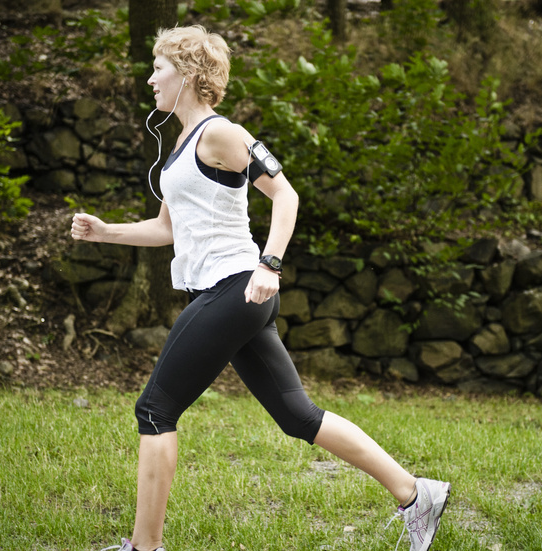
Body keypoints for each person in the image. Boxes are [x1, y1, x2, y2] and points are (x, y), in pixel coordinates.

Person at [71, 25, 450, 551]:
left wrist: (269, 265)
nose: (151, 78)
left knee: (154, 410)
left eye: (160, 68)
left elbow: (286, 196)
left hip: (237, 287)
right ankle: (417, 494)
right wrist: (106, 232)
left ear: (189, 75)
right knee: (299, 417)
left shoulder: (222, 133)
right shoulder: (181, 144)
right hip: (229, 295)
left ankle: (144, 547)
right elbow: (168, 229)